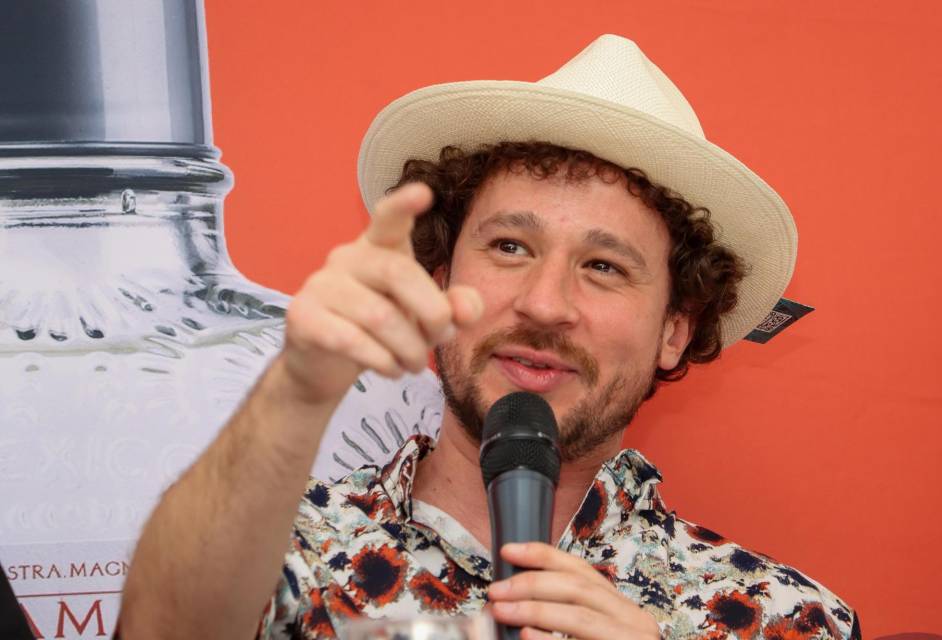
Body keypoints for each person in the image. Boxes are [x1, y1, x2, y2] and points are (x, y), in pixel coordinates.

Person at [118, 35, 860, 639]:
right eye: (509, 247)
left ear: (675, 329)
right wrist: (293, 390)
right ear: (440, 277)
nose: (543, 304)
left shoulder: (784, 619)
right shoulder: (277, 554)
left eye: (603, 266)